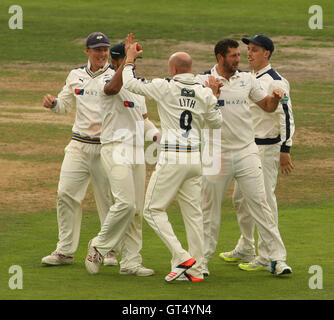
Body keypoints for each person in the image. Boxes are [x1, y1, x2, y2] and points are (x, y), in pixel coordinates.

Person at [118, 34, 223, 282]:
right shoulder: (205, 92)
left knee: (152, 210)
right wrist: (214, 96)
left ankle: (182, 256)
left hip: (173, 158)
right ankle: (195, 270)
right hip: (195, 161)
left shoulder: (165, 86)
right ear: (190, 69)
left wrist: (130, 59)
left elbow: (130, 84)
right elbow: (217, 122)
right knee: (193, 214)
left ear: (173, 69)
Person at [196, 38, 292, 276]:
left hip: (246, 151)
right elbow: (198, 115)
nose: (239, 59)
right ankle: (201, 261)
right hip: (216, 154)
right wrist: (212, 95)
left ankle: (277, 260)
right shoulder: (202, 81)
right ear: (220, 58)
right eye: (233, 56)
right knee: (209, 209)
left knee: (261, 204)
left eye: (239, 55)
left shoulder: (246, 80)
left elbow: (267, 106)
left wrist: (276, 97)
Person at [85, 39, 161, 276]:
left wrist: (158, 135)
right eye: (129, 60)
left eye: (136, 61)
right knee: (125, 204)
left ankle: (130, 263)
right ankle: (98, 246)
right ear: (116, 60)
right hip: (115, 148)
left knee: (136, 209)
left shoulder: (136, 87)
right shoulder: (104, 79)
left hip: (137, 150)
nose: (134, 65)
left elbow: (142, 118)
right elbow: (112, 90)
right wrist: (126, 62)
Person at [41, 32, 118, 267]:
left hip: (106, 147)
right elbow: (65, 106)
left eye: (105, 49)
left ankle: (109, 250)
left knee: (108, 201)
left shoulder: (116, 75)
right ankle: (64, 251)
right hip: (79, 145)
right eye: (97, 50)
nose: (102, 54)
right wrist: (54, 104)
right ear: (87, 51)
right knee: (65, 194)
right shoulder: (75, 75)